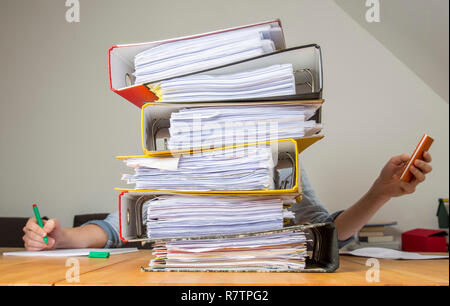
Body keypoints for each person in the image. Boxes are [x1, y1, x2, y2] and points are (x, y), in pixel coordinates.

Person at [22, 152, 433, 251]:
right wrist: (63, 238)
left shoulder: (278, 156)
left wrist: (379, 193)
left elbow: (324, 232)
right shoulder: (167, 157)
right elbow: (115, 228)